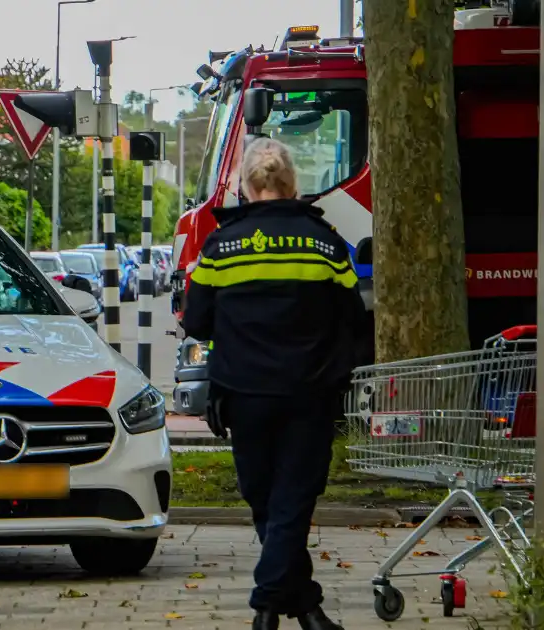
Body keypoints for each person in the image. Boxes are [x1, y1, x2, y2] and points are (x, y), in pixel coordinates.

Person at [181, 137, 366, 630]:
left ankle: (276, 605)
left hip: (244, 394)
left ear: (246, 186)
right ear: (291, 185)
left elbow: (196, 322)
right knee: (292, 498)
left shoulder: (220, 246)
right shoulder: (325, 241)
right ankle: (299, 603)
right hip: (309, 391)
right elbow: (353, 313)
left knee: (267, 497)